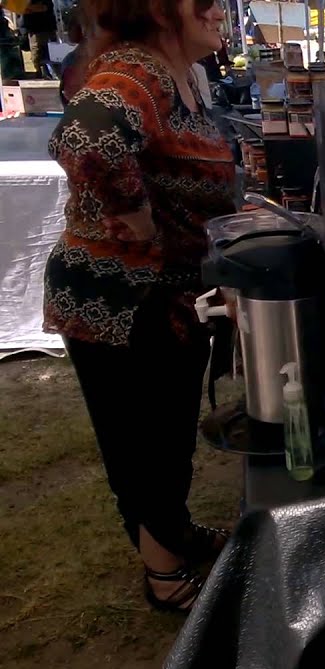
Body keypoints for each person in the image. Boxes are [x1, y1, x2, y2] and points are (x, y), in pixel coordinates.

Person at [43, 0, 236, 613]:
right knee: (143, 441)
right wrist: (139, 220)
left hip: (165, 295)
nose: (217, 8)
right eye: (199, 0)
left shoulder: (185, 75)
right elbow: (85, 137)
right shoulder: (137, 71)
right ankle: (163, 574)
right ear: (156, 10)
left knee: (170, 432)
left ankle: (172, 529)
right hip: (119, 299)